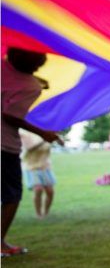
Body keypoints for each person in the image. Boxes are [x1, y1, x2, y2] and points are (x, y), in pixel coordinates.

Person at [2, 48, 64, 257]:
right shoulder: (30, 86)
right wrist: (43, 133)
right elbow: (10, 115)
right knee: (11, 196)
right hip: (4, 146)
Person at [20, 130, 56, 219]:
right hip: (31, 167)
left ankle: (46, 212)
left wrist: (57, 138)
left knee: (50, 192)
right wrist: (45, 137)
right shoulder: (24, 132)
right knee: (38, 189)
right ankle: (38, 214)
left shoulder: (46, 130)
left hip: (45, 166)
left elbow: (60, 143)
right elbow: (29, 148)